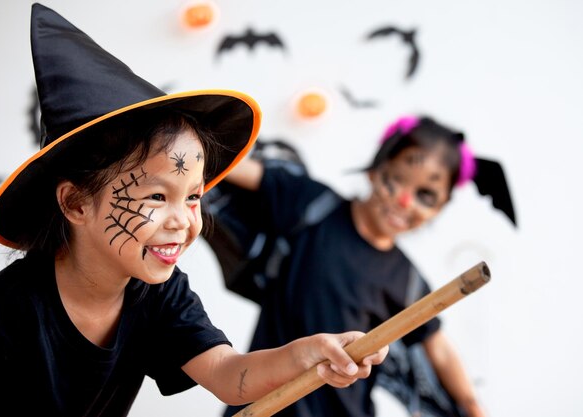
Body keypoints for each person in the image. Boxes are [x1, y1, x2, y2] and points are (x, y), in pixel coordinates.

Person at [0, 4, 388, 416]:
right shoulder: (7, 317)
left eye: (194, 197)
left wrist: (306, 354)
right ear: (75, 203)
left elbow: (226, 373)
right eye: (157, 197)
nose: (184, 221)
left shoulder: (155, 293)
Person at [218, 115, 516, 417]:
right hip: (261, 405)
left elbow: (437, 348)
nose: (404, 201)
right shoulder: (313, 206)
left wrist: (471, 405)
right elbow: (230, 168)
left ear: (440, 207)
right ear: (375, 170)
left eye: (425, 196)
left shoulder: (407, 280)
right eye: (396, 179)